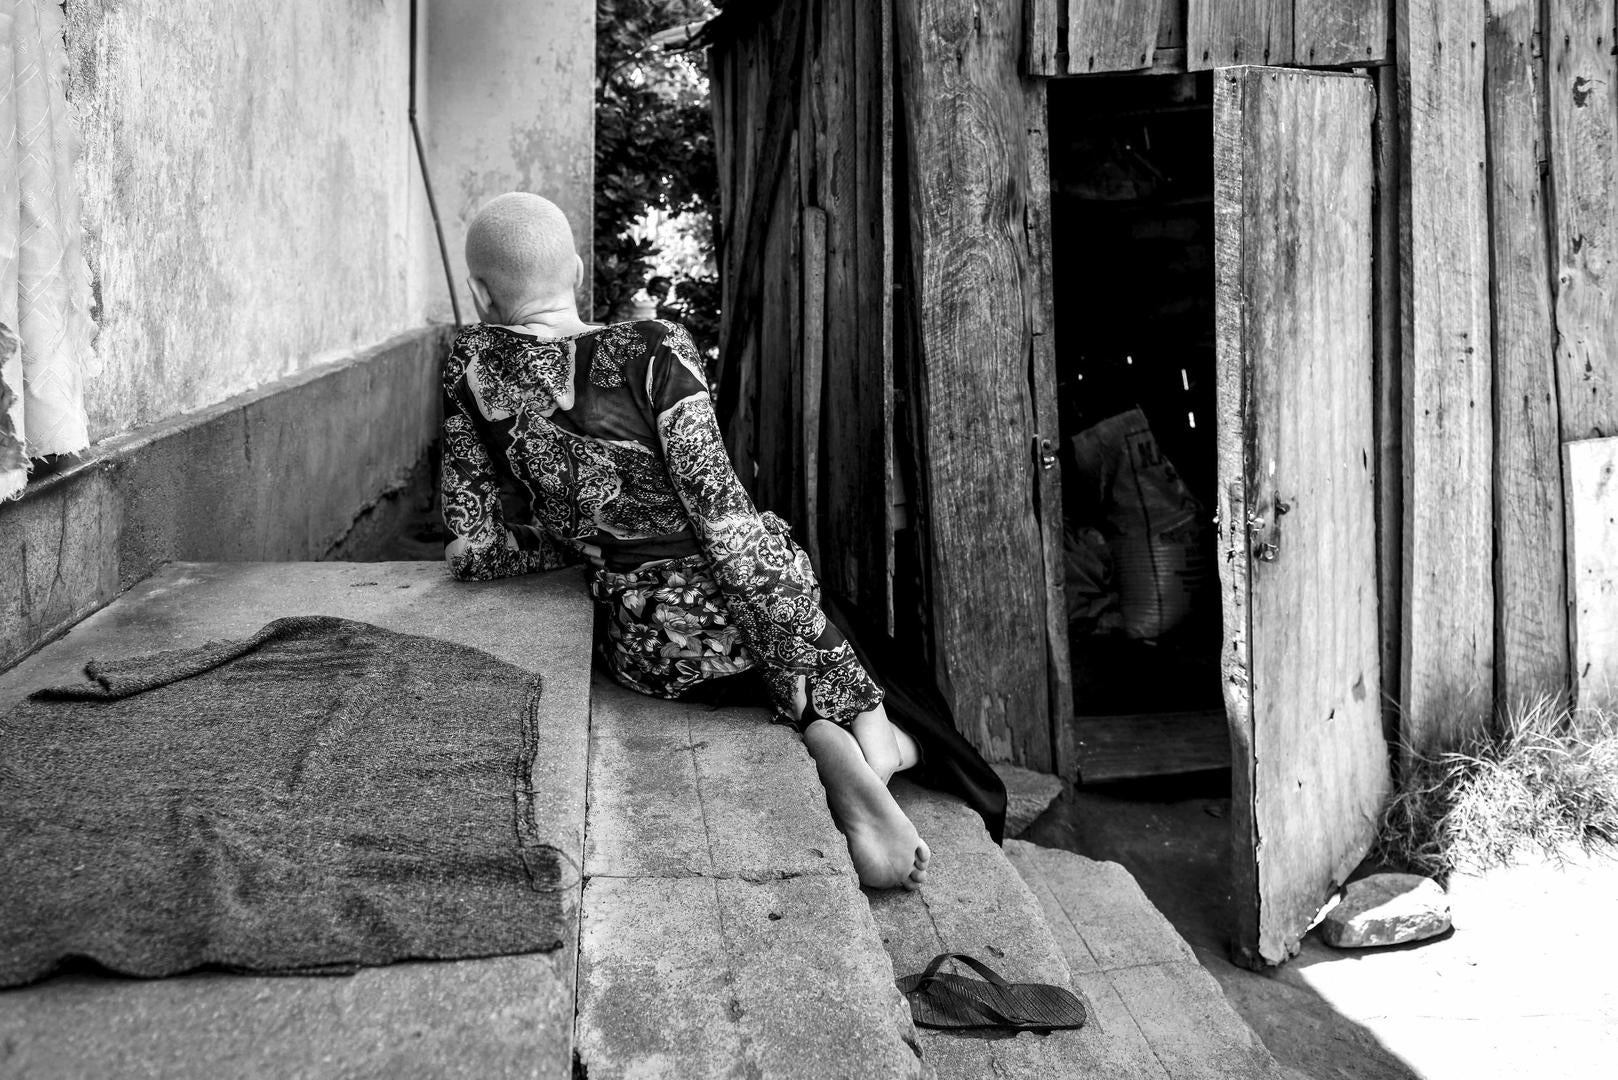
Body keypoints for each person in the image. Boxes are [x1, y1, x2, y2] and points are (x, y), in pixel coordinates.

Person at [441, 192, 930, 890]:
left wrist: (573, 537)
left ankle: (840, 738)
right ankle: (867, 741)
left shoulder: (469, 366)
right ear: (576, 271)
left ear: (481, 293)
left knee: (764, 645)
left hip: (647, 650)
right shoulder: (652, 348)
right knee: (886, 670)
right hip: (738, 622)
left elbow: (474, 549)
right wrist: (851, 684)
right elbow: (728, 529)